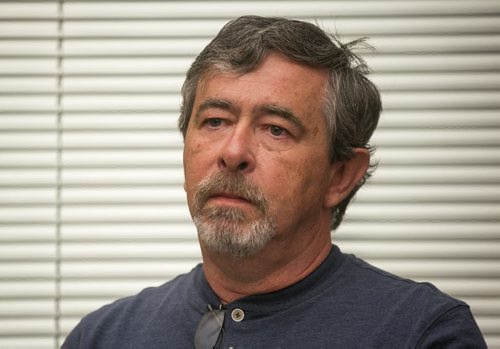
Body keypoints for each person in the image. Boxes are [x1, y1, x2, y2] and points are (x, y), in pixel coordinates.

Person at [62, 16, 486, 348]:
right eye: (214, 121)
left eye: (275, 129)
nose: (233, 151)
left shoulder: (422, 333)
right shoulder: (101, 337)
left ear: (340, 175)